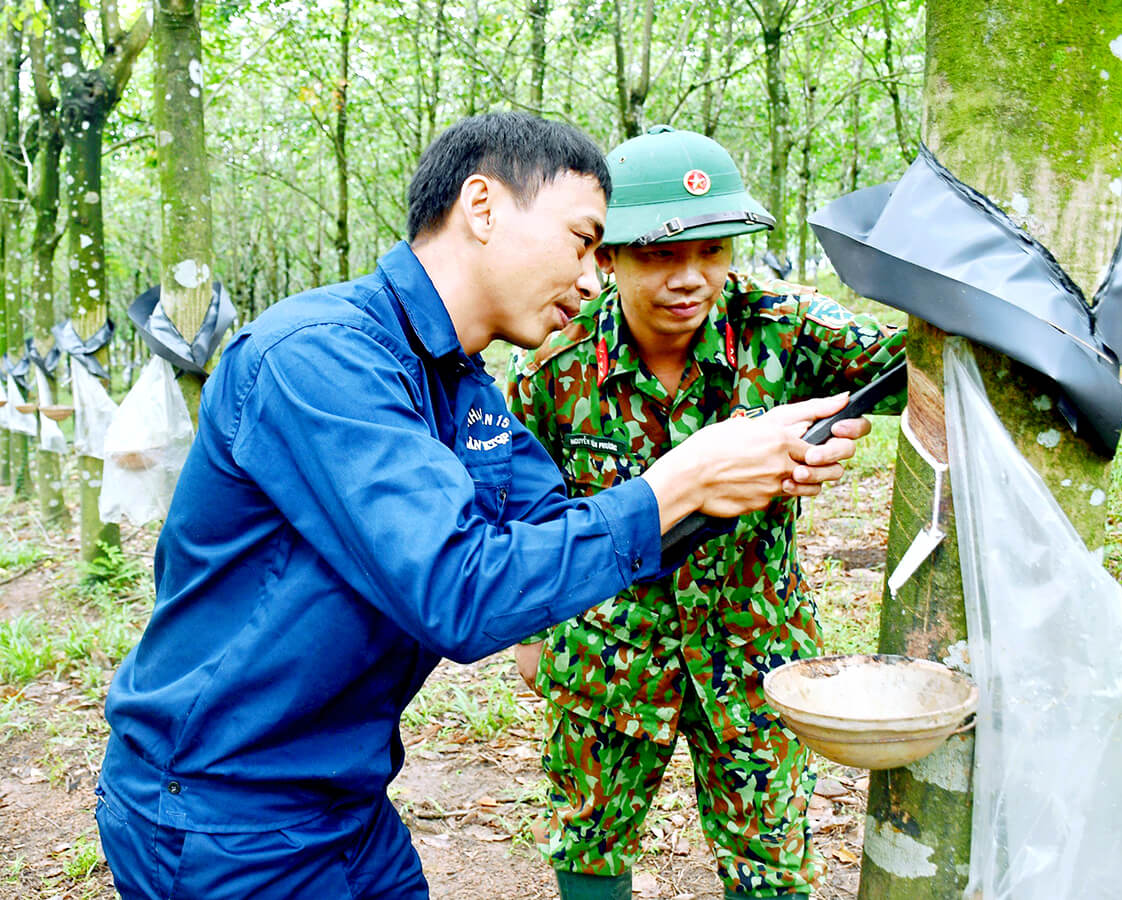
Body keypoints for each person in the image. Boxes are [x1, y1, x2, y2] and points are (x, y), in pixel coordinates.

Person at [94, 112, 861, 900]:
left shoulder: (461, 389)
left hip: (345, 804)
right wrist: (679, 483)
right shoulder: (320, 357)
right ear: (483, 207)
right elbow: (461, 592)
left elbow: (561, 534)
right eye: (583, 239)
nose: (597, 279)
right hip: (226, 811)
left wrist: (745, 468)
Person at [507, 125, 906, 900]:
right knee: (588, 836)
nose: (690, 278)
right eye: (659, 256)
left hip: (756, 647)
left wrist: (841, 417)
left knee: (771, 855)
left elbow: (909, 367)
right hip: (607, 651)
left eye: (713, 251)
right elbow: (523, 506)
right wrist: (530, 631)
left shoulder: (782, 327)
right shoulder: (555, 368)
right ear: (608, 257)